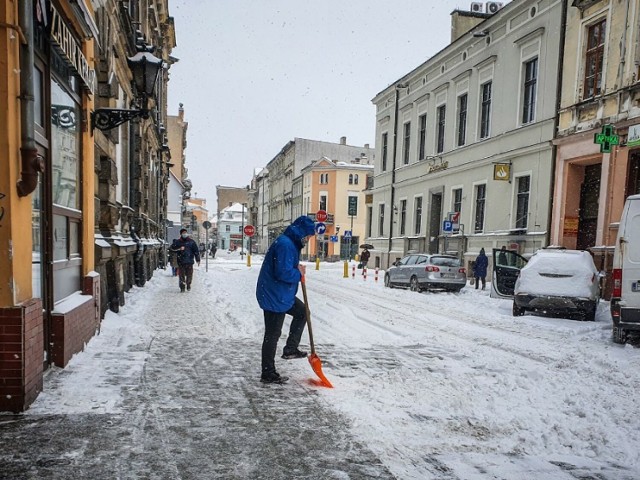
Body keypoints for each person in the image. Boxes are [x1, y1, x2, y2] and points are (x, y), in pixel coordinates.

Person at [256, 215, 316, 384]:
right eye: (309, 236)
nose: (309, 239)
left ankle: (290, 348)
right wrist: (298, 273)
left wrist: (296, 268)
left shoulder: (290, 243)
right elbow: (282, 272)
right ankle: (268, 373)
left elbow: (285, 266)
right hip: (274, 295)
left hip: (281, 293)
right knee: (272, 334)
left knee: (303, 312)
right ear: (302, 232)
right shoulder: (285, 244)